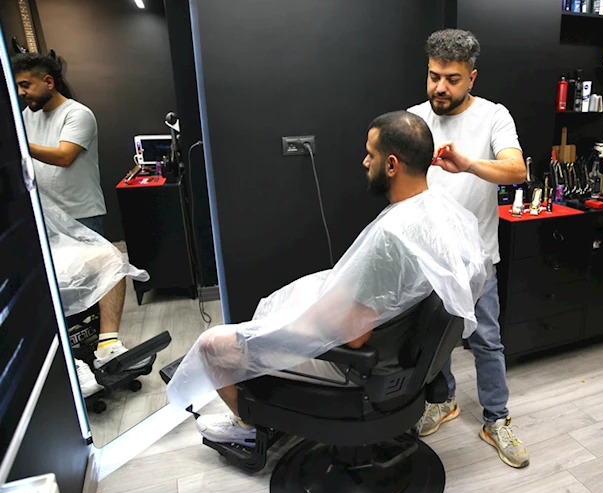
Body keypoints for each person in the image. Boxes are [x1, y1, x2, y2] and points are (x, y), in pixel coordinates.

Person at [164, 111, 492, 447]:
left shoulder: (391, 237)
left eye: (371, 154)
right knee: (291, 305)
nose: (365, 162)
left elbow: (355, 339)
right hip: (403, 356)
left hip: (363, 369)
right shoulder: (441, 212)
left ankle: (248, 425)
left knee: (214, 346)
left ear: (392, 165)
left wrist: (293, 331)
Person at [408, 29, 530, 468]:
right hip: (428, 258)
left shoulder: (494, 117)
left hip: (477, 260)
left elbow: (516, 170)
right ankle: (443, 401)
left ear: (472, 78)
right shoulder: (414, 118)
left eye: (452, 79)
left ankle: (496, 419)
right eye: (434, 76)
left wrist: (469, 165)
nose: (440, 87)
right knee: (432, 340)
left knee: (487, 342)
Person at [11, 53, 143, 397]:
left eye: (25, 85)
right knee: (58, 288)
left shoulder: (77, 114)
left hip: (82, 213)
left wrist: (16, 144)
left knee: (101, 277)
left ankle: (106, 345)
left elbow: (64, 156)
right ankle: (75, 358)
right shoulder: (27, 116)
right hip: (47, 218)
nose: (21, 92)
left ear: (47, 81)